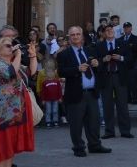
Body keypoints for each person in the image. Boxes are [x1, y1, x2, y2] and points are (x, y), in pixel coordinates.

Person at [0, 36, 38, 167]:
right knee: (2, 152)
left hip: (15, 114)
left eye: (12, 45)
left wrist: (33, 55)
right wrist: (18, 54)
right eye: (8, 45)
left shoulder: (14, 64)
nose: (11, 47)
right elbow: (10, 73)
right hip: (2, 115)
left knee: (9, 151)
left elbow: (31, 72)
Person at [58, 26, 110, 158]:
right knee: (76, 123)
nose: (75, 37)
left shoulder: (90, 50)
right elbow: (61, 71)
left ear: (82, 36)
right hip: (75, 93)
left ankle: (95, 145)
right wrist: (77, 69)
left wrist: (98, 64)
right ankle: (78, 147)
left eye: (77, 34)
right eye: (72, 35)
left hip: (92, 92)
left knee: (94, 121)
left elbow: (101, 67)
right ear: (69, 38)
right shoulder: (64, 54)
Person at [38, 58, 63, 128]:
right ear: (46, 74)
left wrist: (60, 98)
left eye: (52, 72)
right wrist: (43, 99)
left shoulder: (57, 81)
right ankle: (48, 121)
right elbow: (43, 92)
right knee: (48, 111)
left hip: (56, 99)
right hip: (47, 99)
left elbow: (59, 90)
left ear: (54, 73)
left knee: (55, 110)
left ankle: (55, 121)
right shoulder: (44, 82)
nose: (50, 74)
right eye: (49, 72)